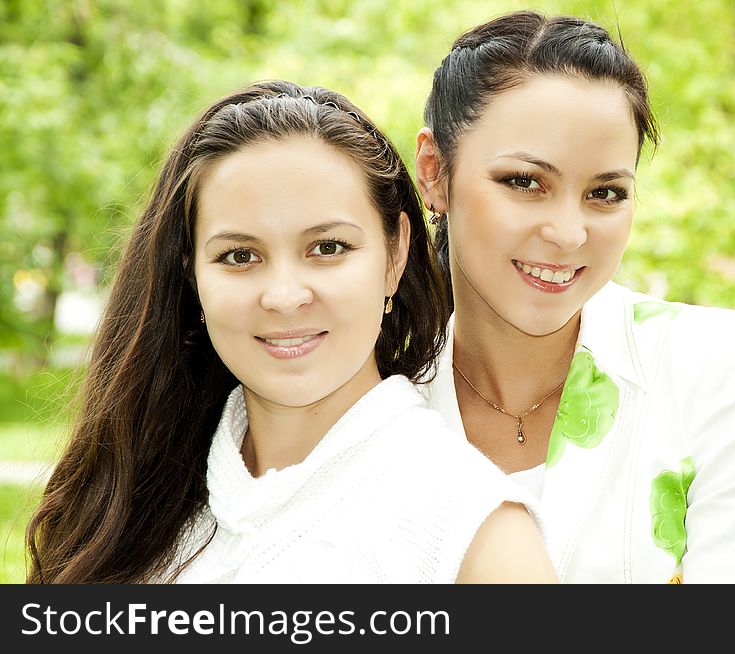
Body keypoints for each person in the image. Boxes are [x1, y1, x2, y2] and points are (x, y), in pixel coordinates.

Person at [25, 80, 557, 584]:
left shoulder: (475, 531)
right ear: (192, 275)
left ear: (395, 255)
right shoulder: (129, 502)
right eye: (239, 256)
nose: (284, 295)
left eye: (328, 248)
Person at [415, 11, 735, 583]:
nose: (569, 233)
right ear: (434, 171)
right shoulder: (368, 396)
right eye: (525, 182)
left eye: (605, 192)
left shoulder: (714, 370)